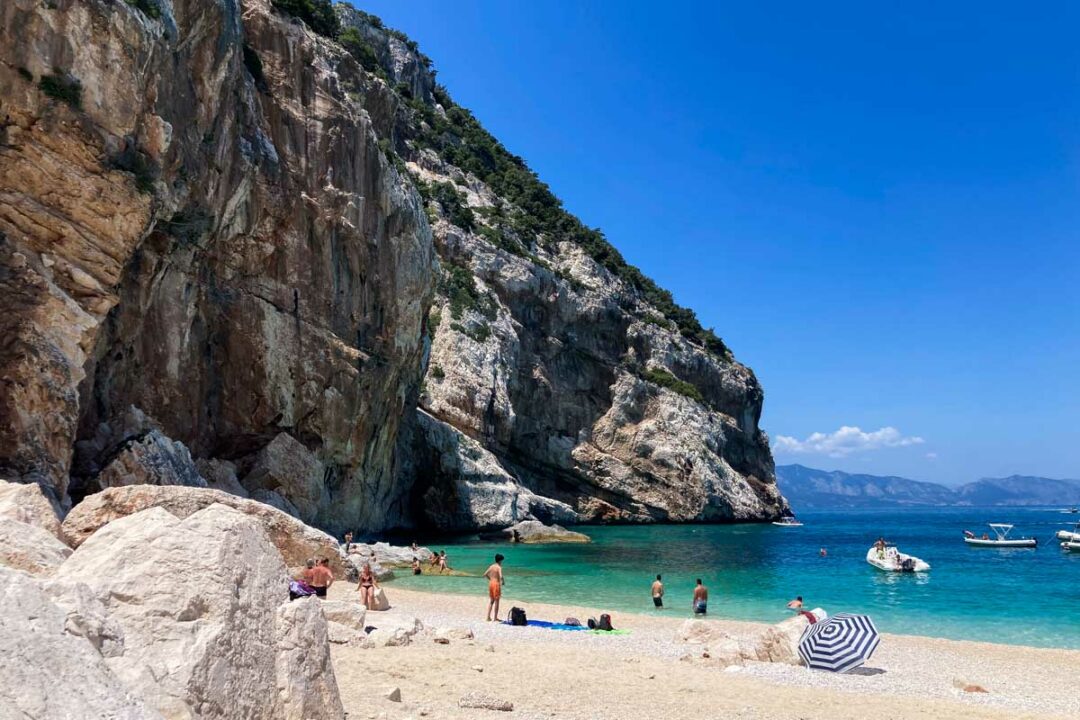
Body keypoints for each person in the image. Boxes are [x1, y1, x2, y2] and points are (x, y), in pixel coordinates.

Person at [483, 553, 505, 622]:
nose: (502, 562)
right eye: (501, 561)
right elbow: (501, 576)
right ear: (500, 560)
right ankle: (495, 618)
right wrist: (503, 581)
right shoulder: (499, 567)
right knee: (497, 601)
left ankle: (488, 617)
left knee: (491, 601)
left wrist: (490, 579)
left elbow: (485, 574)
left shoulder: (491, 566)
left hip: (491, 584)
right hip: (496, 584)